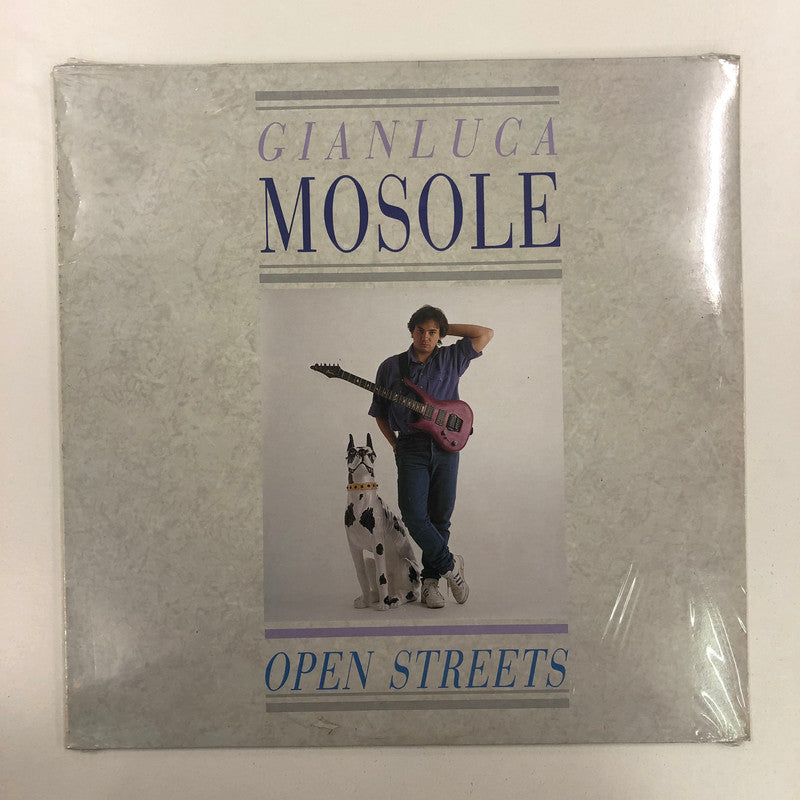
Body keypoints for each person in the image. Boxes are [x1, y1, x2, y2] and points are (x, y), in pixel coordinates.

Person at [368, 305, 493, 609]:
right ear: (411, 331)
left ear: (440, 334)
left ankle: (431, 583)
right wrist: (394, 444)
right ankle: (451, 566)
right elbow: (380, 412)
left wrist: (446, 327)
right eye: (420, 330)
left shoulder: (451, 357)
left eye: (433, 332)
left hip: (447, 448)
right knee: (414, 516)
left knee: (440, 518)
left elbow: (485, 333)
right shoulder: (391, 367)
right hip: (410, 447)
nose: (425, 337)